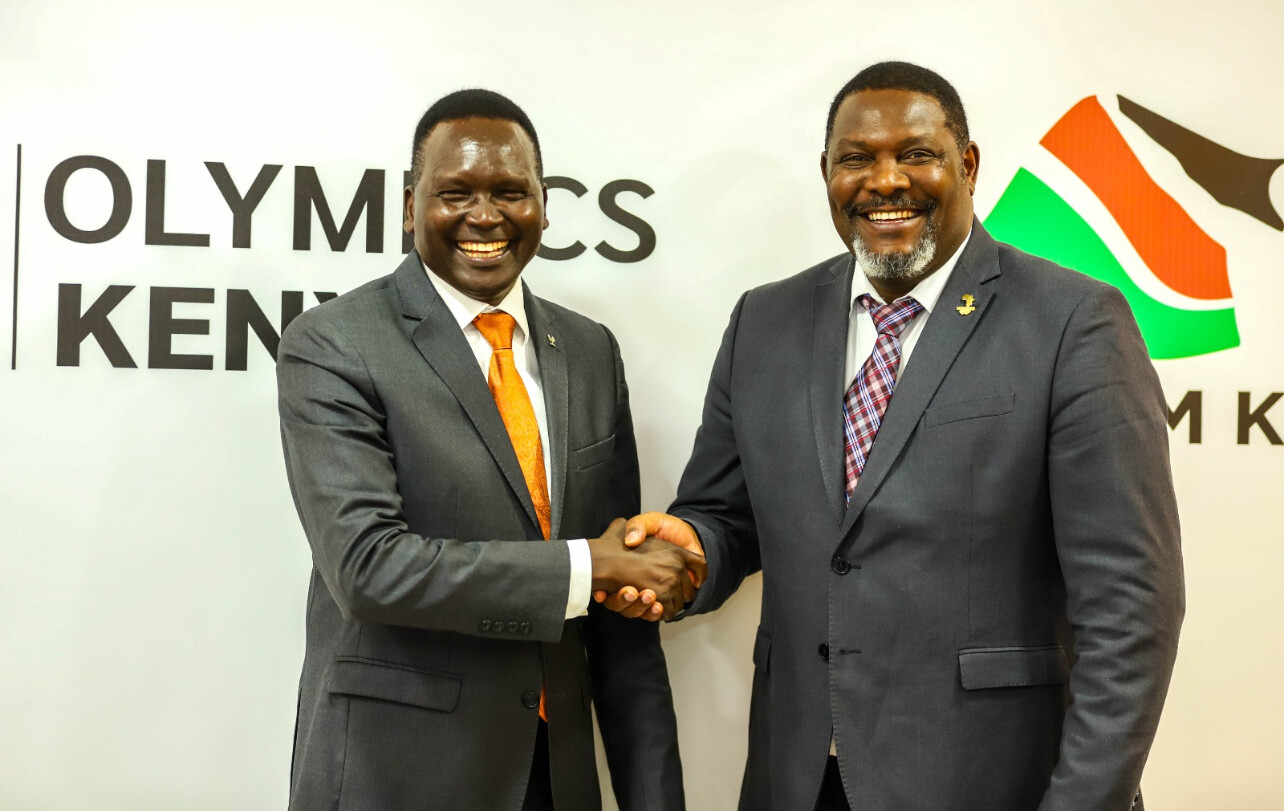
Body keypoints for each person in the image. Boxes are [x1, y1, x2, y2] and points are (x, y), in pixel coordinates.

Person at [607, 62, 1184, 810]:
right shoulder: (764, 321)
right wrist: (689, 552)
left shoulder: (1074, 322)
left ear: (967, 164)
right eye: (857, 158)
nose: (885, 181)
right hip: (799, 776)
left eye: (916, 154)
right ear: (827, 173)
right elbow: (728, 517)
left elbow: (1131, 605)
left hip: (991, 781)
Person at [278, 89, 698, 811]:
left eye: (510, 192)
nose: (485, 215)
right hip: (398, 776)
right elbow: (367, 567)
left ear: (544, 205)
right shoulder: (334, 342)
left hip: (555, 778)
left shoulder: (589, 352)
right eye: (455, 193)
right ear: (410, 208)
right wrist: (588, 564)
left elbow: (620, 614)